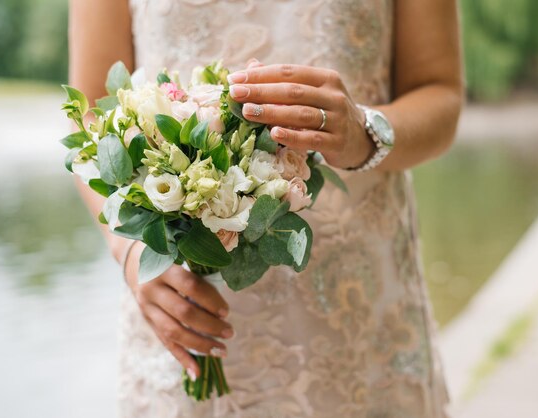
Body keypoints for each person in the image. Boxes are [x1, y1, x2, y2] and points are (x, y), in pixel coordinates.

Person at [69, 0, 463, 416]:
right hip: (184, 313)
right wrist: (130, 252)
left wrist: (364, 132)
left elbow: (440, 93)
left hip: (357, 313)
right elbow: (93, 113)